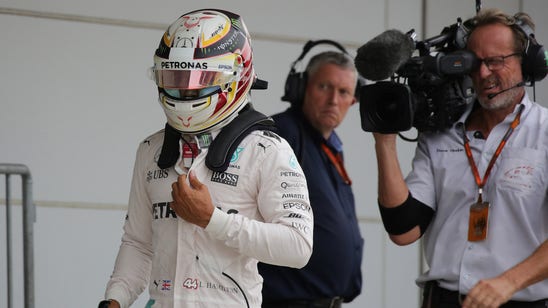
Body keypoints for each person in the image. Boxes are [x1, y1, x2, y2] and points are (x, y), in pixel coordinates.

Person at [97, 9, 313, 308]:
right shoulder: (150, 150)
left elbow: (298, 247)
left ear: (236, 76)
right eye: (175, 77)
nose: (186, 89)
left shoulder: (266, 150)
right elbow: (138, 243)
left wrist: (213, 220)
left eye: (201, 78)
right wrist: (115, 298)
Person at [372, 8, 548, 308]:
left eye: (495, 61)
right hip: (442, 300)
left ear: (526, 64)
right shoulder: (440, 134)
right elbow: (403, 229)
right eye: (473, 63)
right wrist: (384, 140)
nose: (482, 74)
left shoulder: (544, 132)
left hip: (517, 300)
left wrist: (508, 282)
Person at [258, 47, 364, 308]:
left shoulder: (330, 147)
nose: (333, 100)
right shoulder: (280, 134)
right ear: (302, 87)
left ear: (353, 100)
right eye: (324, 87)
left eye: (343, 92)